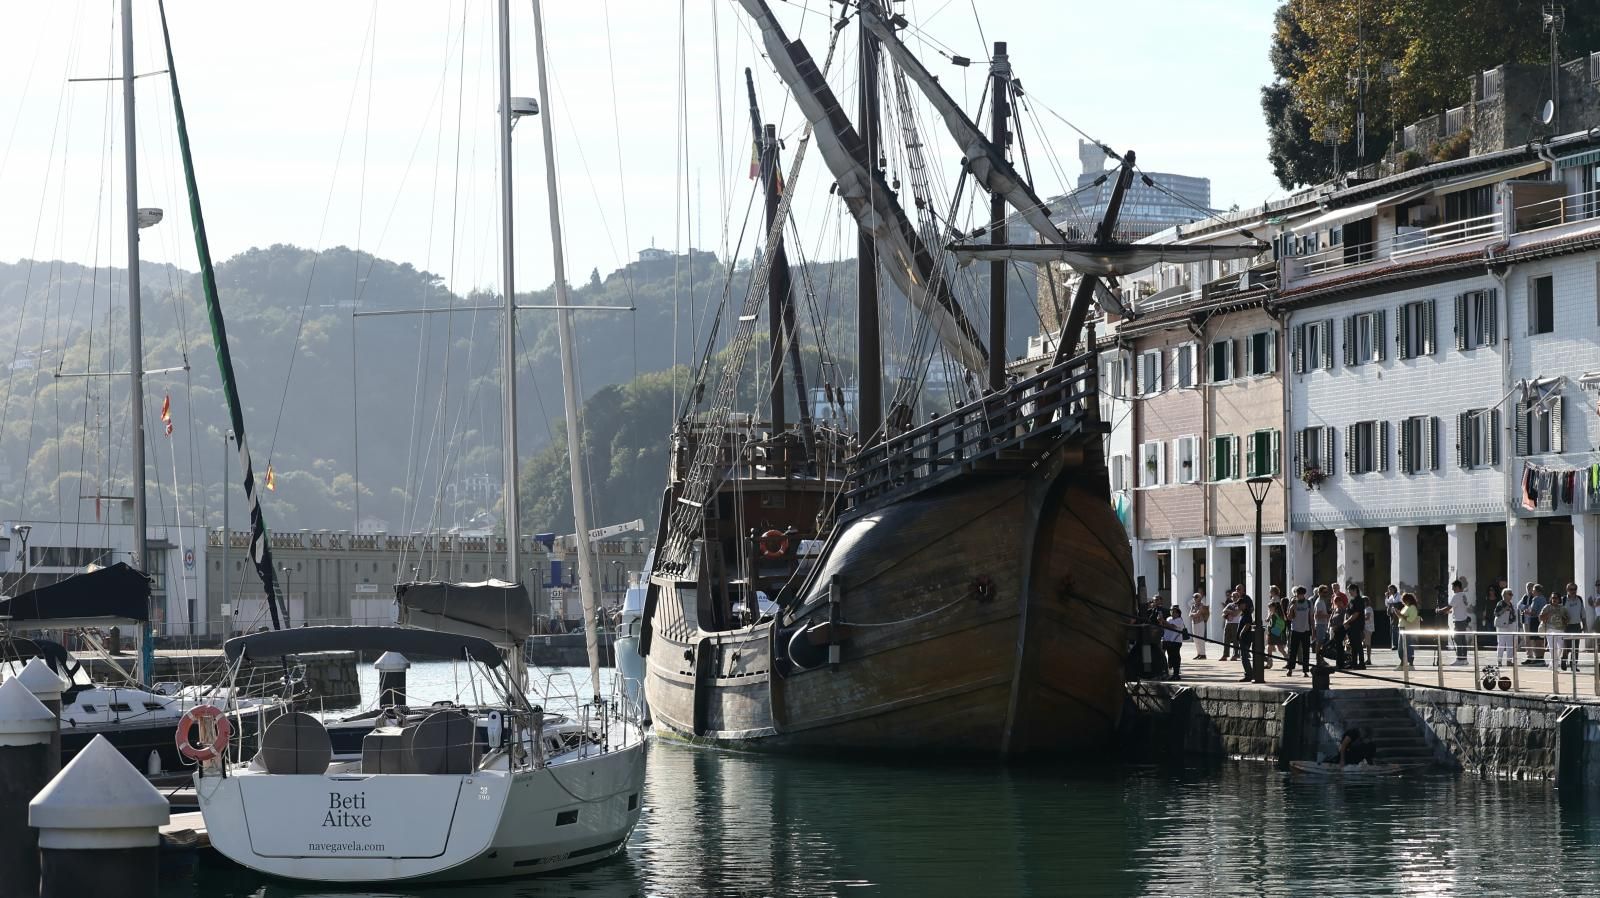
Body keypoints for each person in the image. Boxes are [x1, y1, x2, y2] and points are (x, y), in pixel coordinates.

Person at [1542, 587, 1574, 672]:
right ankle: (1555, 667)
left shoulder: (1563, 608)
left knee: (1561, 648)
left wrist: (1564, 619)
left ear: (1559, 599)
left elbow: (1568, 619)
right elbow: (1541, 617)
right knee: (1553, 649)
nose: (1554, 599)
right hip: (1550, 630)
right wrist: (1549, 613)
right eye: (1552, 598)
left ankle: (1552, 664)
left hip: (1560, 630)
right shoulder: (1547, 607)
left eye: (1556, 598)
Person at [1285, 587, 1314, 676]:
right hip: (1295, 630)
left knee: (1306, 651)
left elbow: (1311, 618)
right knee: (1292, 651)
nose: (1297, 596)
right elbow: (1289, 618)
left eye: (1299, 594)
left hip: (1305, 630)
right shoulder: (1293, 603)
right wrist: (1291, 608)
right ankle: (1290, 669)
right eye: (1296, 594)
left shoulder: (1308, 603)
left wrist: (1313, 630)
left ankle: (1305, 671)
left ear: (1303, 594)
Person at [1447, 578, 1473, 665]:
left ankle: (1460, 659)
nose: (1452, 589)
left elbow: (1448, 607)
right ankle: (1464, 659)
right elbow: (1459, 607)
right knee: (1462, 639)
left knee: (1458, 639)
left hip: (1459, 621)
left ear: (1457, 587)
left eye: (1453, 587)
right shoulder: (1463, 595)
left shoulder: (1457, 596)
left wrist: (1439, 610)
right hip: (1463, 620)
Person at [1560, 583, 1584, 671]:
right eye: (1571, 589)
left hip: (1577, 625)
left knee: (1576, 647)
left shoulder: (1579, 599)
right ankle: (1563, 660)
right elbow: (1559, 613)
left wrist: (1585, 626)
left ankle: (1574, 665)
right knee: (1566, 646)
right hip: (1566, 626)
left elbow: (1583, 614)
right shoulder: (1563, 599)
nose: (1573, 591)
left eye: (1574, 589)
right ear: (1567, 590)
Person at [1493, 588, 1520, 667]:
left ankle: (1509, 660)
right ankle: (1499, 661)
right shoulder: (1500, 603)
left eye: (1511, 594)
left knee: (1510, 644)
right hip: (1502, 626)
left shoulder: (1511, 604)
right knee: (1501, 643)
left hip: (1510, 625)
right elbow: (1496, 613)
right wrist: (1505, 609)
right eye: (1510, 594)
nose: (1511, 596)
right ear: (1504, 595)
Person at [1161, 605, 1187, 680]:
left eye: (1174, 611)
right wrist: (1161, 621)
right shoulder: (1169, 618)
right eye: (1171, 610)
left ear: (1178, 613)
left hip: (1175, 641)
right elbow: (1164, 625)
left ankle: (1176, 674)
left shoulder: (1179, 620)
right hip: (1168, 640)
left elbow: (1171, 626)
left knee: (1175, 657)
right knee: (1170, 657)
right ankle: (1170, 672)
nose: (1172, 612)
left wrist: (1163, 621)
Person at [1397, 592, 1421, 669]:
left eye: (1405, 600)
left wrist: (1401, 615)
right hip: (1402, 628)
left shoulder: (1412, 608)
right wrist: (1397, 613)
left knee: (1408, 646)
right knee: (1401, 647)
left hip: (1407, 629)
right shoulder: (1405, 607)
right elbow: (1401, 617)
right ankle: (1402, 662)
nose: (1403, 602)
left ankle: (1410, 663)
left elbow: (1410, 619)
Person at [1235, 593, 1256, 681]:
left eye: (1239, 605)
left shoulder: (1247, 613)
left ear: (1244, 605)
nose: (1238, 606)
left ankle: (1249, 675)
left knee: (1244, 657)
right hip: (1243, 638)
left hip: (1245, 638)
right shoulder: (1243, 613)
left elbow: (1247, 624)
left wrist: (1241, 633)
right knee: (1243, 657)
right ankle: (1249, 673)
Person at [1344, 591, 1367, 670]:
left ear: (1354, 590)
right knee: (1353, 646)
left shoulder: (1358, 601)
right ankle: (1354, 663)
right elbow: (1348, 612)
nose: (1349, 592)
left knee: (1358, 645)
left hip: (1356, 626)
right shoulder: (1352, 601)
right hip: (1351, 626)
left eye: (1350, 591)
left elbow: (1356, 614)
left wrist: (1347, 621)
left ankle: (1361, 663)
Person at [1221, 591, 1242, 661]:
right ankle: (1225, 655)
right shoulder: (1230, 604)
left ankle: (1235, 654)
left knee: (1235, 640)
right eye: (1232, 596)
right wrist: (1229, 612)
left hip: (1236, 624)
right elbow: (1223, 611)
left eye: (1235, 596)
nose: (1233, 598)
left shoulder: (1240, 605)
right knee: (1226, 639)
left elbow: (1236, 613)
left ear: (1238, 597)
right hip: (1228, 623)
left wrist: (1229, 611)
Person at [1189, 592, 1210, 660]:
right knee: (1195, 639)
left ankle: (1203, 654)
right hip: (1194, 623)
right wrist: (1193, 614)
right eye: (1193, 597)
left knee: (1200, 638)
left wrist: (1193, 614)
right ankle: (1199, 653)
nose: (1194, 598)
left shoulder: (1202, 605)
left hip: (1200, 622)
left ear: (1200, 598)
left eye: (1196, 597)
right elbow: (1190, 614)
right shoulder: (1193, 606)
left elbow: (1198, 614)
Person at [1267, 601, 1288, 669]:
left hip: (1273, 633)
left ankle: (1269, 663)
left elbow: (1272, 625)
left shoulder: (1273, 615)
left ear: (1274, 607)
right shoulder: (1280, 614)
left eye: (1270, 607)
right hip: (1279, 633)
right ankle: (1289, 661)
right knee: (1280, 649)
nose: (1269, 609)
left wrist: (1268, 628)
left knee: (1269, 648)